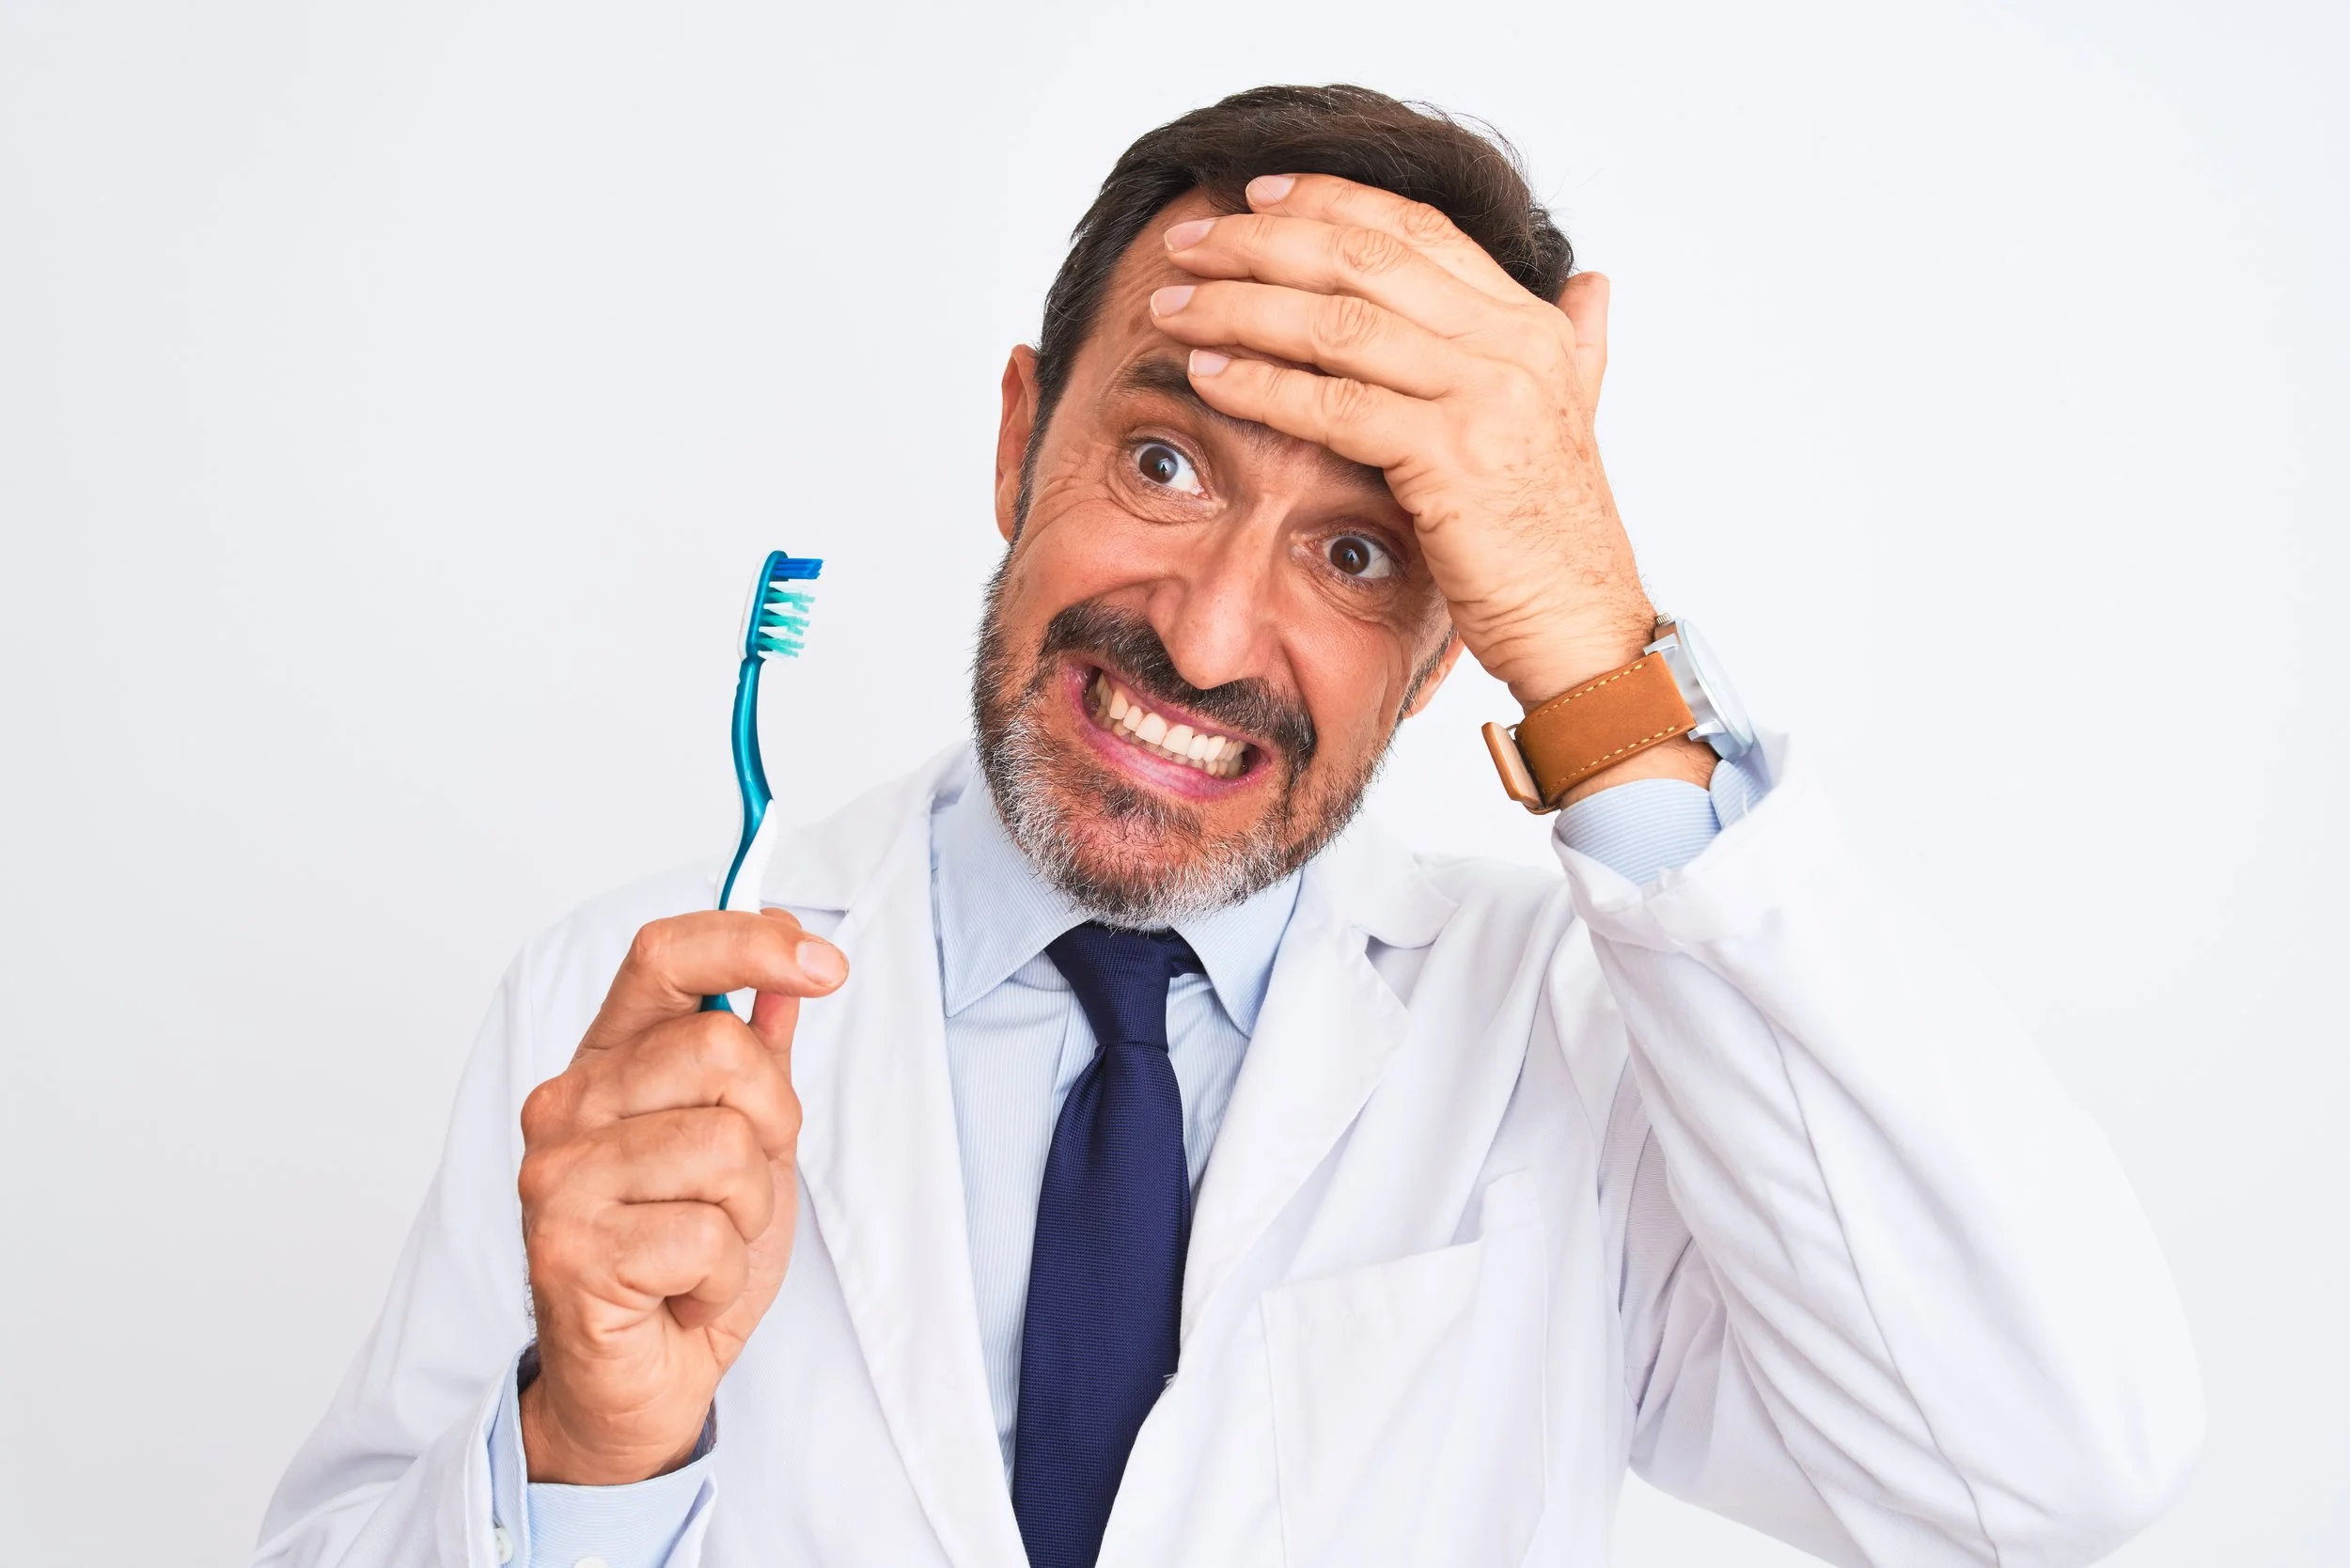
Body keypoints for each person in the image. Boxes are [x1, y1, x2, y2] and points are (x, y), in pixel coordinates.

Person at [255, 84, 2201, 1568]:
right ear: (1021, 439)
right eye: (1164, 459)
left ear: (1457, 638)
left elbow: (2038, 1466)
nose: (1202, 635)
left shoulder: (1595, 1056)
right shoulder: (622, 1018)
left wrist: (1597, 651)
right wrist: (586, 1447)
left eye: (1357, 552)